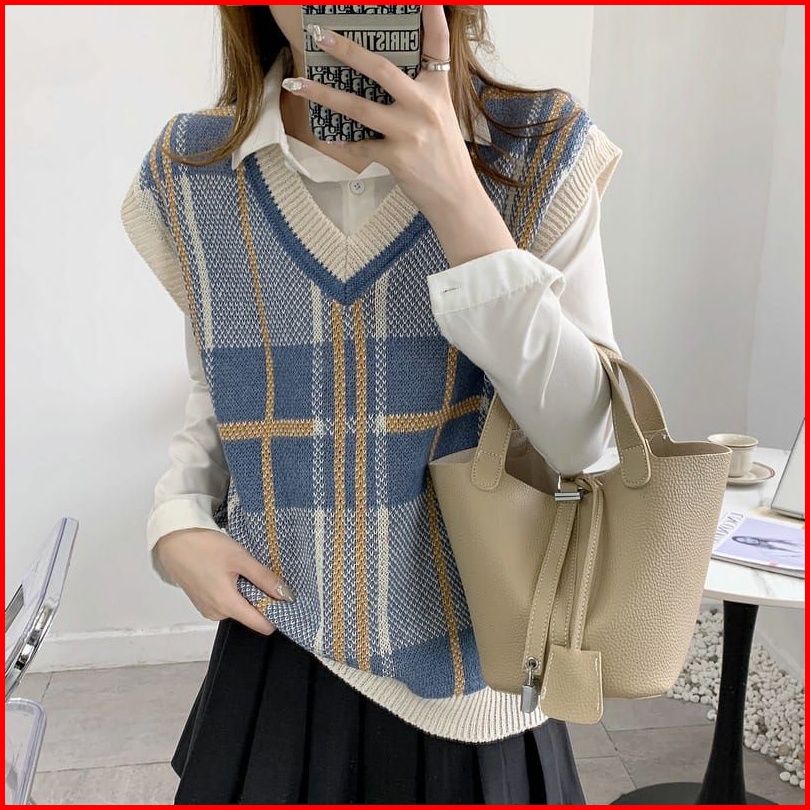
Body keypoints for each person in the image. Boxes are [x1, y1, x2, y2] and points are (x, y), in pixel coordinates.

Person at [121, 4, 622, 804]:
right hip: (279, 653)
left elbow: (587, 441)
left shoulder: (537, 150)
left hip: (476, 680)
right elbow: (222, 379)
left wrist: (457, 196)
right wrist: (176, 520)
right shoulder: (195, 168)